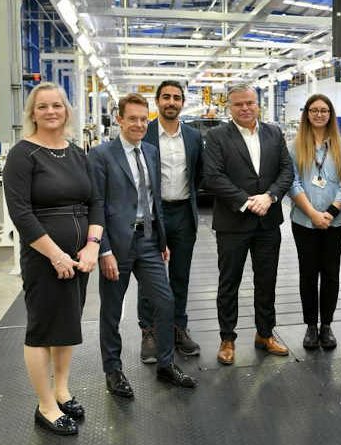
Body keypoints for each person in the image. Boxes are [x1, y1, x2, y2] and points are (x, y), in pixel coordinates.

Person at [4, 82, 103, 436]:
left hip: (79, 258)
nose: (50, 112)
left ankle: (62, 390)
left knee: (66, 325)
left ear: (66, 110)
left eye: (56, 106)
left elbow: (96, 202)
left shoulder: (78, 153)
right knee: (42, 330)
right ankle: (45, 406)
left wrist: (92, 245)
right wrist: (56, 254)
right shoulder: (22, 154)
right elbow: (21, 212)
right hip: (45, 257)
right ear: (32, 113)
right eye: (42, 106)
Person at [89, 93, 197, 397]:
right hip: (117, 245)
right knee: (111, 311)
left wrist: (162, 239)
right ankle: (113, 371)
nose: (138, 124)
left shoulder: (150, 151)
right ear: (120, 119)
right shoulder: (101, 155)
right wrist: (104, 250)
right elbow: (95, 205)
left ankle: (165, 365)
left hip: (148, 241)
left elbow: (155, 201)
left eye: (142, 118)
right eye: (132, 118)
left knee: (165, 302)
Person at [202, 84, 294, 365]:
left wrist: (270, 196)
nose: (245, 108)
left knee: (267, 281)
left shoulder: (274, 133)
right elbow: (213, 176)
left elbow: (286, 170)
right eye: (238, 104)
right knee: (229, 282)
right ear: (229, 107)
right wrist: (246, 201)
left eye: (250, 103)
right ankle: (227, 338)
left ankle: (265, 334)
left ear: (258, 105)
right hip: (233, 222)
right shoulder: (217, 136)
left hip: (268, 221)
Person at [136, 80, 203, 363]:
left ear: (182, 102)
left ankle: (178, 327)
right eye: (166, 97)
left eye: (176, 97)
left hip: (183, 214)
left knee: (180, 275)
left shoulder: (192, 135)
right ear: (157, 101)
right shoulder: (145, 134)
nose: (171, 102)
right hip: (152, 215)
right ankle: (149, 331)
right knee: (150, 276)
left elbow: (198, 175)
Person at [287, 94, 341, 350]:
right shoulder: (295, 146)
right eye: (314, 110)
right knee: (308, 274)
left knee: (331, 274)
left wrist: (331, 213)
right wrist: (313, 213)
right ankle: (311, 325)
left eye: (324, 110)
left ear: (330, 114)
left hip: (336, 222)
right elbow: (292, 182)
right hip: (304, 221)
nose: (319, 114)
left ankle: (327, 325)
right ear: (307, 114)